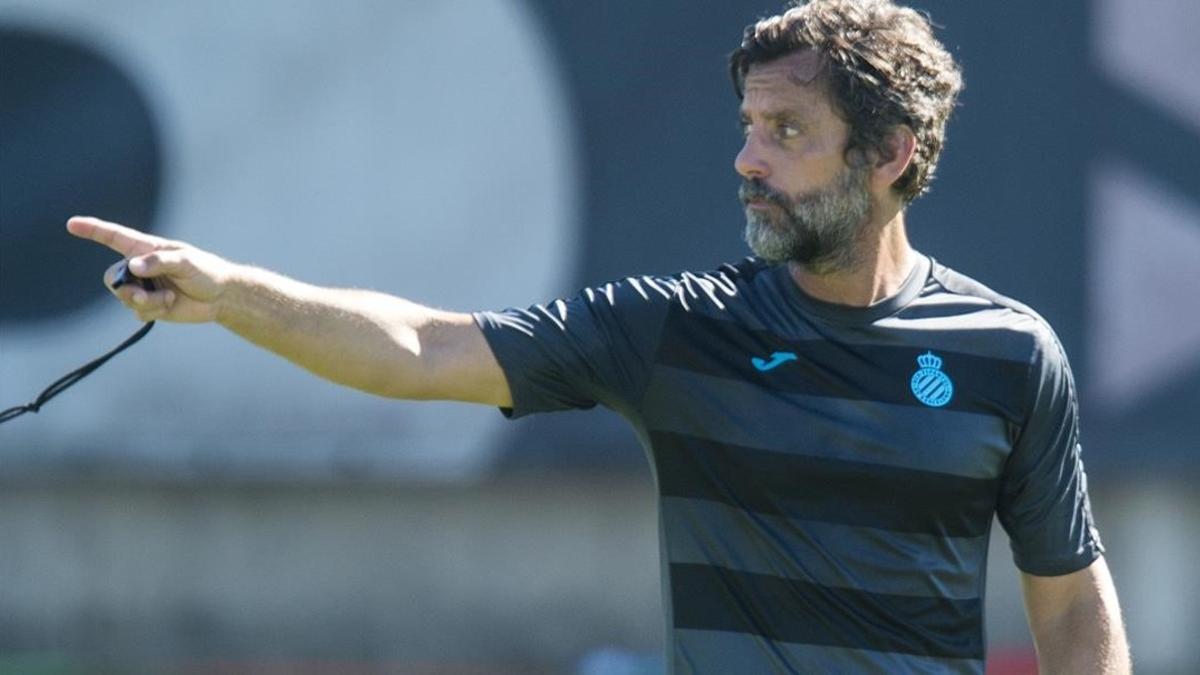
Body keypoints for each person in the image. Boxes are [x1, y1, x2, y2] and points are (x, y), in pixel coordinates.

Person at [69, 0, 1130, 672]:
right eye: (749, 126)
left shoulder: (1008, 352)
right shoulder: (681, 330)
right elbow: (424, 348)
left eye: (789, 132)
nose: (748, 159)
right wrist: (233, 295)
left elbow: (1073, 603)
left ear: (891, 153)